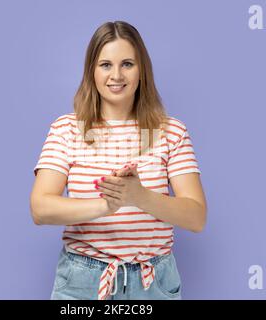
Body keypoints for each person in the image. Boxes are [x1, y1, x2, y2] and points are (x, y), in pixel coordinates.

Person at [30, 21, 207, 300]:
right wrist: (107, 204)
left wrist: (139, 196)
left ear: (142, 71)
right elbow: (41, 209)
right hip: (83, 281)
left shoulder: (171, 131)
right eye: (105, 65)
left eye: (127, 64)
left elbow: (196, 217)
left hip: (153, 284)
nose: (116, 75)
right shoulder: (66, 129)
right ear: (92, 71)